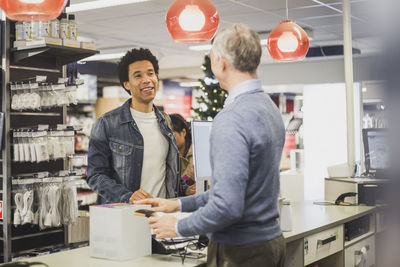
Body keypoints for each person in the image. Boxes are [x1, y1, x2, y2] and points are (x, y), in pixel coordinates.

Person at [136, 23, 286, 267]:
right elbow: (231, 192)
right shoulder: (269, 108)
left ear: (220, 62)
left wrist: (178, 226)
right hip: (269, 243)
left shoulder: (231, 118)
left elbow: (227, 207)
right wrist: (178, 204)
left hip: (241, 252)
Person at [87, 48, 180, 204]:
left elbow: (165, 172)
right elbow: (95, 176)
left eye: (150, 73)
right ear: (127, 84)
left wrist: (186, 186)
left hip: (160, 215)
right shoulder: (107, 124)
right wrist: (128, 196)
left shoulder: (166, 123)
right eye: (138, 75)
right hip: (126, 216)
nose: (146, 79)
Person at [170, 114, 196, 196]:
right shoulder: (170, 152)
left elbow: (189, 179)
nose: (169, 139)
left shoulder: (194, 152)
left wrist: (183, 180)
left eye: (172, 135)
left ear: (183, 132)